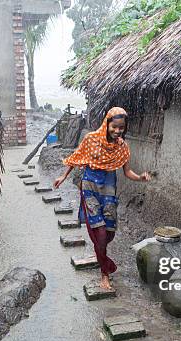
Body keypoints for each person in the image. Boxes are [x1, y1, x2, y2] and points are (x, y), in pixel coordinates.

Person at [53, 107, 151, 290]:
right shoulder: (91, 139)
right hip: (90, 187)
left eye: (121, 128)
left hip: (108, 188)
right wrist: (63, 177)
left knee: (110, 233)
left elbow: (127, 171)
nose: (117, 131)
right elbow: (77, 158)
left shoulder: (122, 146)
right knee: (100, 233)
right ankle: (104, 273)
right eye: (114, 127)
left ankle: (101, 256)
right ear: (107, 123)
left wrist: (140, 178)